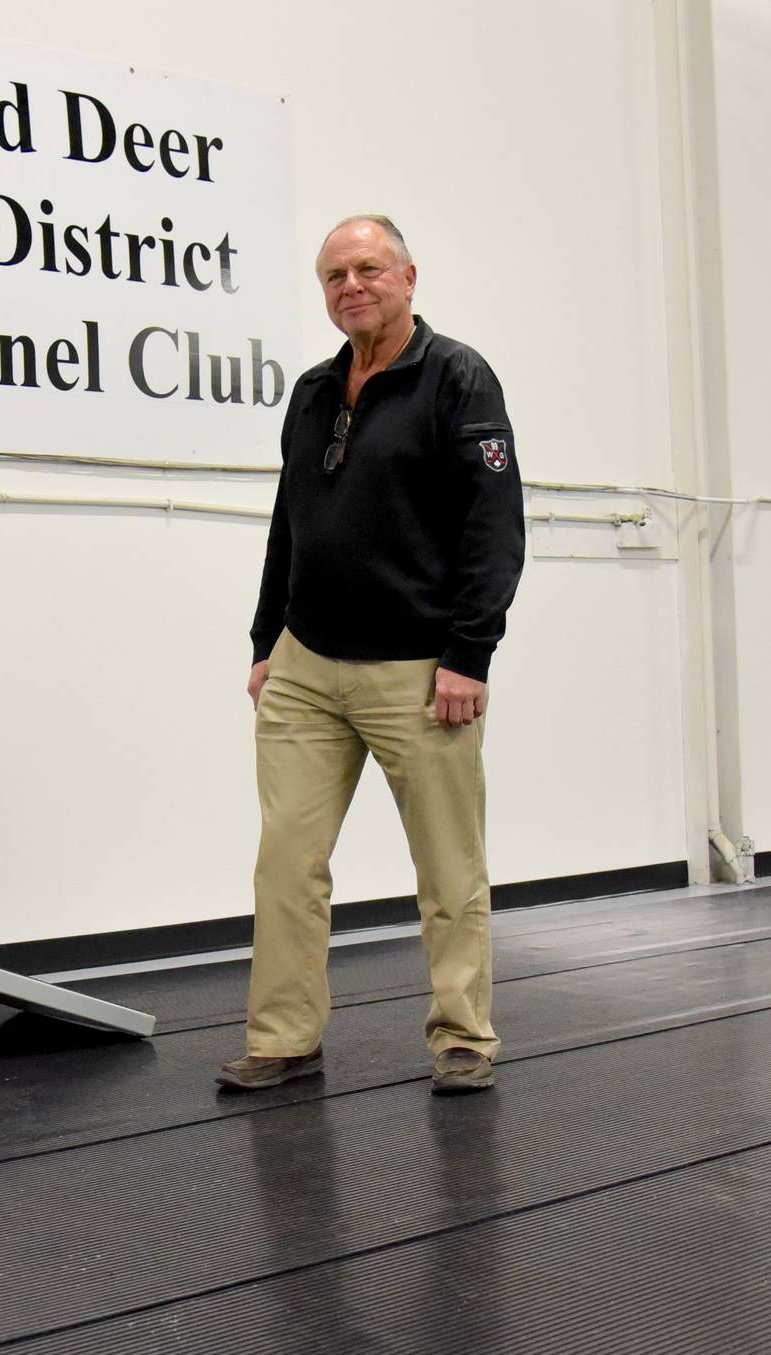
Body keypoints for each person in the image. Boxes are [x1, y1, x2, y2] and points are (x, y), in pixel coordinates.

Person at [219, 216, 525, 1096]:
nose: (351, 285)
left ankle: (463, 1036)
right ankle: (283, 1038)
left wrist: (471, 652)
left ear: (408, 277)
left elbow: (494, 529)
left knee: (447, 869)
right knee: (287, 864)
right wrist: (265, 640)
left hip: (419, 673)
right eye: (334, 275)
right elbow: (291, 525)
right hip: (306, 668)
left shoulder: (457, 379)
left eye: (368, 269)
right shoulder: (314, 391)